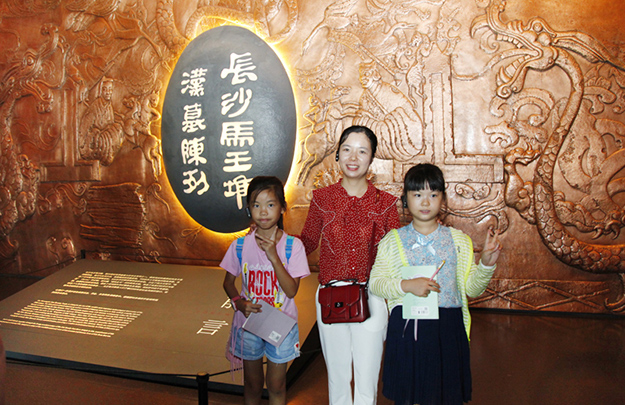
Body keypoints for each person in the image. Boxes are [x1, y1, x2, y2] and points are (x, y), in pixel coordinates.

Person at [369, 163, 503, 405]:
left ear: (443, 199)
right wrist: (407, 286)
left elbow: (471, 289)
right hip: (408, 327)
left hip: (448, 328)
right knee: (409, 396)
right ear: (405, 199)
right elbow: (376, 284)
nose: (425, 201)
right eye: (417, 194)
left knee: (445, 396)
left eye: (433, 194)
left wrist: (486, 264)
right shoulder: (393, 240)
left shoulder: (459, 241)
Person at [300, 125, 401, 405]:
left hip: (372, 296)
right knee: (338, 377)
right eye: (347, 149)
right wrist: (274, 240)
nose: (353, 157)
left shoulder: (386, 203)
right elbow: (307, 242)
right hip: (330, 296)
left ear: (371, 158)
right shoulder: (322, 199)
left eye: (362, 151)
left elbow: (396, 255)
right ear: (337, 155)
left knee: (367, 379)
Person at [222, 176, 310, 405]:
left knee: (277, 385)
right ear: (248, 209)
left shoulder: (293, 247)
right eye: (256, 205)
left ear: (282, 208)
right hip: (250, 324)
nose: (263, 212)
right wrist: (238, 302)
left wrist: (273, 256)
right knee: (252, 385)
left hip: (281, 325)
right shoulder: (240, 245)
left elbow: (291, 291)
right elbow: (228, 282)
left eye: (270, 204)